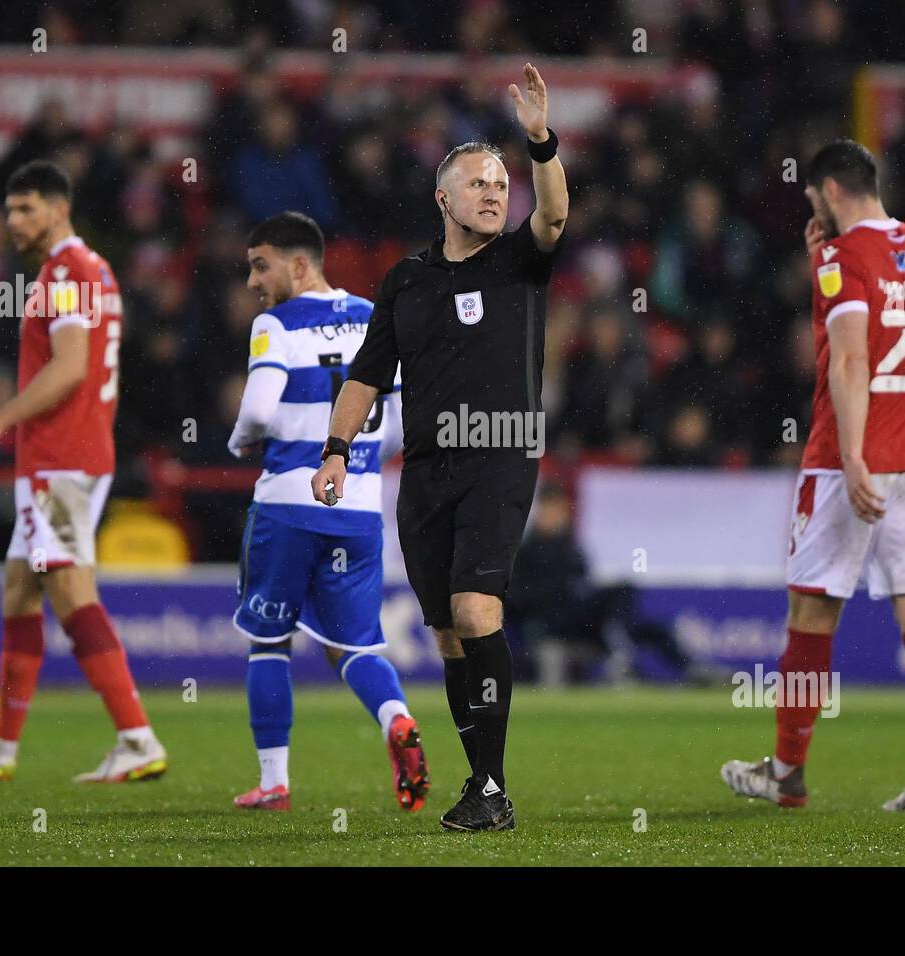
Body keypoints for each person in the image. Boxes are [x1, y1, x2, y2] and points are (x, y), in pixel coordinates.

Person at [311, 64, 569, 832]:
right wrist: (334, 449)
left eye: (501, 183)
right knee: (449, 633)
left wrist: (540, 142)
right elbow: (368, 372)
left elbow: (553, 215)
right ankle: (480, 781)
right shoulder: (406, 281)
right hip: (424, 470)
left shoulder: (522, 259)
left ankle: (490, 787)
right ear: (443, 200)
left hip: (500, 453)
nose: (496, 193)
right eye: (479, 184)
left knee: (475, 605)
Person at [722, 140, 905, 812]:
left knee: (811, 616)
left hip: (843, 461)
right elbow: (883, 330)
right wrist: (822, 265)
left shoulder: (846, 259)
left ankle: (787, 773)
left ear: (828, 190)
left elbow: (852, 361)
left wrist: (853, 457)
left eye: (811, 196)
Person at [0, 160, 167, 783]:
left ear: (59, 208)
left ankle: (136, 736)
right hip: (69, 453)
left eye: (26, 209)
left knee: (68, 588)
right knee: (20, 587)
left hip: (61, 458)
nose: (14, 221)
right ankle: (2, 745)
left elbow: (71, 367)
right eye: (10, 210)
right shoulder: (89, 271)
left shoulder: (68, 272)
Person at [227, 212, 428, 812]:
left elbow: (260, 411)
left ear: (299, 264)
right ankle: (396, 718)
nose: (253, 282)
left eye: (260, 266)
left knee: (269, 640)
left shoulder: (276, 324)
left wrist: (240, 442)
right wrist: (357, 458)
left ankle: (274, 782)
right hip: (360, 506)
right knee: (357, 646)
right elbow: (395, 426)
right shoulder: (374, 316)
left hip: (288, 502)